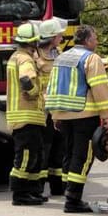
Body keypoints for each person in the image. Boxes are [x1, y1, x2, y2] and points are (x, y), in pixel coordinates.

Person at [47, 24, 108, 213]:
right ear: (88, 41)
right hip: (85, 114)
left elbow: (52, 87)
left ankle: (69, 195)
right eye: (95, 38)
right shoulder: (91, 59)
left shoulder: (61, 57)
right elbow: (100, 89)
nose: (97, 41)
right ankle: (73, 200)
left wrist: (54, 115)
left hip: (63, 115)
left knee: (69, 154)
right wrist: (106, 116)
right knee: (82, 157)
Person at [6, 22, 52, 206]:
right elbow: (26, 81)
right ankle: (20, 193)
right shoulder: (25, 59)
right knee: (26, 156)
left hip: (28, 116)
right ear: (33, 43)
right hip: (26, 116)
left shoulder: (16, 57)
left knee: (36, 154)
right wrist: (35, 92)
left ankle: (32, 191)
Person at [37, 18, 69, 197]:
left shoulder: (59, 53)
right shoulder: (37, 56)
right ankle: (39, 187)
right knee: (44, 148)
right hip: (44, 110)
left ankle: (57, 186)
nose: (61, 37)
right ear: (51, 37)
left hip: (59, 108)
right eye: (58, 35)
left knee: (60, 147)